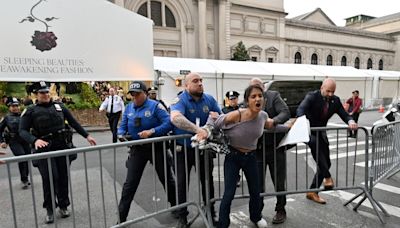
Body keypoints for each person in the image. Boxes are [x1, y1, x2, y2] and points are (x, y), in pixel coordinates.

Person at [196, 84, 288, 228]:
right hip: (233, 157)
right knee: (229, 193)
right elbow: (216, 122)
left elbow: (271, 125)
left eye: (260, 96)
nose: (258, 99)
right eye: (253, 96)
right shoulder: (236, 115)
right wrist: (204, 131)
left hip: (251, 157)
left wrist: (290, 127)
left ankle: (256, 217)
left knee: (255, 190)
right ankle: (223, 224)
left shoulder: (263, 116)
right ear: (247, 101)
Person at [19, 81, 96, 224]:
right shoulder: (30, 110)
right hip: (44, 149)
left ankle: (63, 205)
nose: (46, 94)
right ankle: (49, 209)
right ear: (36, 94)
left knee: (62, 177)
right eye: (42, 92)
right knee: (49, 178)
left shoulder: (60, 107)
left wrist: (87, 135)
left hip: (62, 146)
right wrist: (34, 140)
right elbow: (22, 131)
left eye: (47, 91)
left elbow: (73, 122)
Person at [117, 81, 177, 223]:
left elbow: (169, 122)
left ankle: (177, 207)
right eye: (132, 94)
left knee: (167, 179)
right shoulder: (129, 108)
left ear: (145, 93)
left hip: (156, 147)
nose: (134, 97)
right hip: (137, 149)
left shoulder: (156, 106)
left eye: (137, 94)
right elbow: (122, 126)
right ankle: (121, 218)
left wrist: (152, 131)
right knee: (129, 184)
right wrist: (121, 134)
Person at [170, 72, 221, 227]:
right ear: (187, 85)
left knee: (207, 182)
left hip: (203, 149)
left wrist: (212, 122)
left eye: (201, 80)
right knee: (181, 184)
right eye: (195, 81)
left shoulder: (209, 99)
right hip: (183, 149)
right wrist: (198, 130)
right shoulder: (181, 99)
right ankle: (182, 217)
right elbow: (175, 118)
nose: (200, 83)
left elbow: (220, 116)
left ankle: (210, 212)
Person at [296, 78, 357, 204]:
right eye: (328, 91)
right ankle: (328, 177)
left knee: (326, 163)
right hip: (308, 132)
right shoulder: (312, 97)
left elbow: (343, 114)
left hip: (321, 134)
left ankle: (312, 192)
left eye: (332, 92)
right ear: (322, 88)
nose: (330, 94)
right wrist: (301, 121)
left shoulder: (335, 100)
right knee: (314, 145)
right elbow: (300, 110)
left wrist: (350, 121)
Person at [249, 77, 291, 224]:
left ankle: (281, 209)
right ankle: (257, 212)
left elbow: (285, 112)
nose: (256, 93)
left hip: (275, 147)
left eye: (259, 88)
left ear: (264, 88)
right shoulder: (247, 101)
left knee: (279, 182)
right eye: (253, 89)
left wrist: (273, 121)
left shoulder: (273, 96)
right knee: (257, 184)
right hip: (257, 150)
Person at [0, 97, 31, 189]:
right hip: (14, 141)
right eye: (13, 106)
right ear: (9, 107)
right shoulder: (6, 118)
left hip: (25, 140)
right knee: (21, 156)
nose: (15, 108)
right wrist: (2, 141)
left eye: (17, 105)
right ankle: (24, 179)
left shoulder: (23, 115)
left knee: (27, 158)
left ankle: (26, 177)